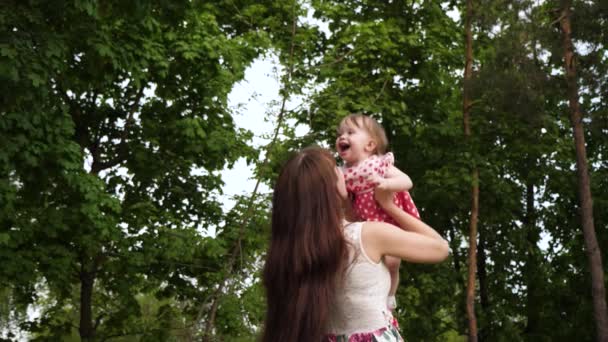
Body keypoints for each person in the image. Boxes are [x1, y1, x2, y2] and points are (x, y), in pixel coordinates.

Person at [262, 147, 448, 342]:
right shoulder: (366, 235)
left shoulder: (287, 255)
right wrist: (388, 205)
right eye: (337, 168)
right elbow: (440, 248)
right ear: (333, 188)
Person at [335, 113, 419, 310]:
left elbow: (407, 181)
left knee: (392, 262)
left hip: (388, 220)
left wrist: (386, 183)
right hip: (365, 223)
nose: (342, 137)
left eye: (350, 132)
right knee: (367, 262)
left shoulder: (379, 164)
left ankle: (390, 295)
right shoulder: (344, 172)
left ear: (370, 145)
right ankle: (370, 296)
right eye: (340, 133)